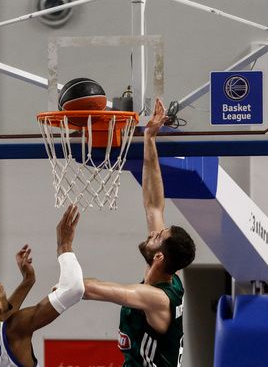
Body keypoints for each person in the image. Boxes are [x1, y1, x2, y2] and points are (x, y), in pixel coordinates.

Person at [83, 99, 196, 366]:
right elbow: (154, 205)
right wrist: (149, 138)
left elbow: (95, 290)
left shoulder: (157, 298)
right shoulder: (166, 274)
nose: (153, 234)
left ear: (159, 257)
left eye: (158, 236)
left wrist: (66, 260)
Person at [0, 204, 83, 367]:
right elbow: (74, 289)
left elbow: (2, 316)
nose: (2, 286)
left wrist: (28, 280)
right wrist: (64, 246)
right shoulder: (15, 329)